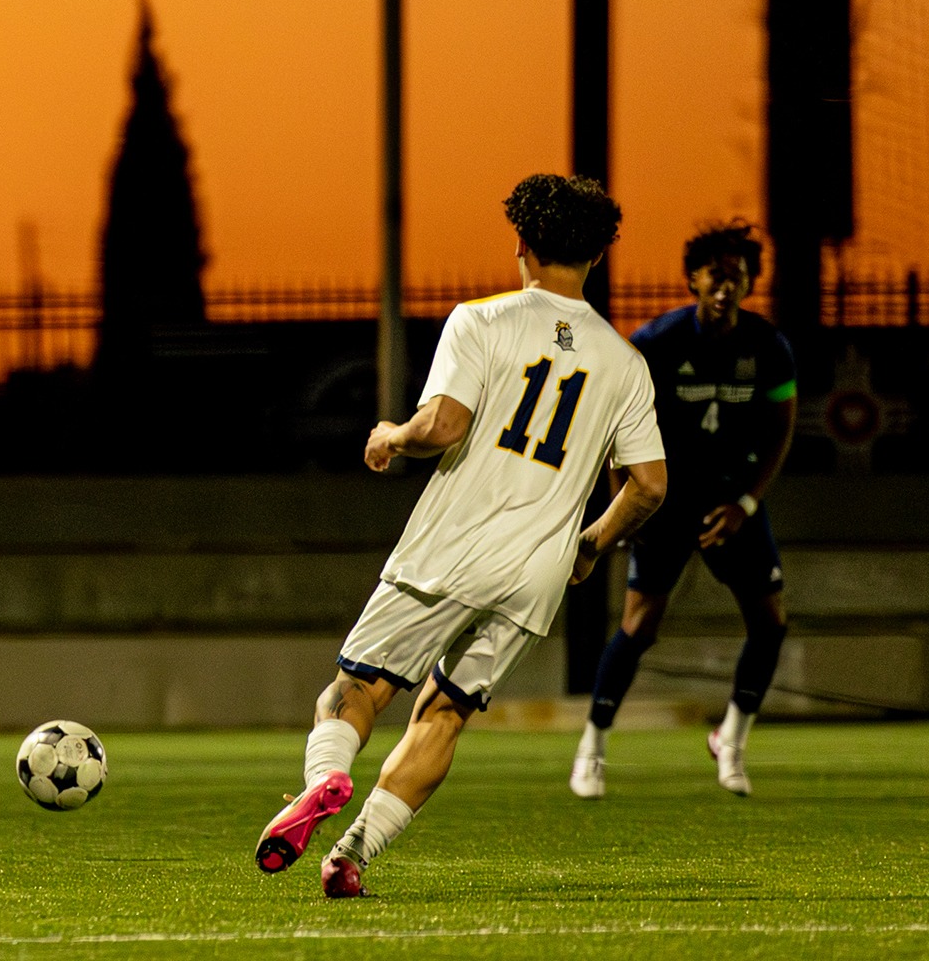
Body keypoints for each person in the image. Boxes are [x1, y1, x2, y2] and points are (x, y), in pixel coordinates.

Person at [253, 174, 667, 899]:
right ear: (598, 254)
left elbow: (443, 426)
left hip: (451, 550)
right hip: (535, 576)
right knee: (444, 713)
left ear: (522, 243)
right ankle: (352, 856)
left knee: (356, 689)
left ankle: (326, 780)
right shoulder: (625, 362)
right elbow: (650, 486)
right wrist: (590, 545)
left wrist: (391, 435)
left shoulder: (482, 321)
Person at [569, 221, 796, 799]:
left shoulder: (768, 346)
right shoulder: (656, 342)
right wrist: (626, 506)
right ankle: (592, 747)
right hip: (665, 501)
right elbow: (615, 426)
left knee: (770, 625)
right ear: (693, 279)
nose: (726, 286)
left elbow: (780, 430)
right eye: (715, 275)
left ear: (749, 283)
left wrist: (746, 501)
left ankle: (731, 740)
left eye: (736, 276)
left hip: (732, 505)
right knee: (639, 626)